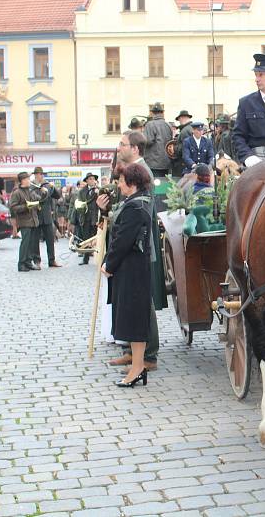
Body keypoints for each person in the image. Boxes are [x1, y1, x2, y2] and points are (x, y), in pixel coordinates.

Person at [101, 130, 166, 372]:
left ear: (135, 149)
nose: (119, 148)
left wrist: (114, 214)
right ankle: (132, 350)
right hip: (130, 247)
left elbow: (139, 212)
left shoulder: (143, 172)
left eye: (122, 144)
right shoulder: (130, 171)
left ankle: (148, 355)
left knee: (141, 303)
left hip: (139, 249)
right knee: (130, 302)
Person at [101, 162, 154, 387]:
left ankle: (138, 368)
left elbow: (122, 240)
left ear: (131, 183)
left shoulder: (135, 207)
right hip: (132, 267)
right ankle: (137, 366)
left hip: (132, 269)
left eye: (122, 181)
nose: (119, 185)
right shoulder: (135, 202)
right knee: (134, 320)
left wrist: (108, 264)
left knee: (134, 320)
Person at [29, 167, 62, 268]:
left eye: (42, 174)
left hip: (47, 216)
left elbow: (57, 196)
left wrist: (54, 187)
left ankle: (52, 260)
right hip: (37, 216)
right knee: (35, 240)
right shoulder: (31, 186)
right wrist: (42, 191)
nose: (41, 176)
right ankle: (37, 261)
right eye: (39, 174)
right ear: (35, 175)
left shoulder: (47, 185)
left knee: (50, 239)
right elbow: (35, 198)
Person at [8, 172, 42, 272]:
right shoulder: (17, 192)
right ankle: (21, 263)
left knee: (31, 244)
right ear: (22, 180)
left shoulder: (30, 190)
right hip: (24, 221)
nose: (29, 181)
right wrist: (26, 207)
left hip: (33, 220)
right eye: (27, 179)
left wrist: (42, 192)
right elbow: (13, 207)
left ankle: (28, 262)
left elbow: (39, 199)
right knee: (25, 243)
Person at [75, 173, 99, 265]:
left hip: (95, 217)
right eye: (90, 179)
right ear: (87, 181)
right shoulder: (82, 191)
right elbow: (79, 204)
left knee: (97, 238)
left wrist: (98, 193)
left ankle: (99, 258)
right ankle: (85, 258)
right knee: (85, 239)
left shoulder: (99, 190)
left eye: (93, 179)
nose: (92, 180)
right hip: (85, 217)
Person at [144, 102, 173, 177]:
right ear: (162, 113)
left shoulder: (150, 125)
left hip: (153, 163)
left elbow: (148, 141)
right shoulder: (168, 125)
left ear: (152, 113)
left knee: (153, 186)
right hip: (166, 163)